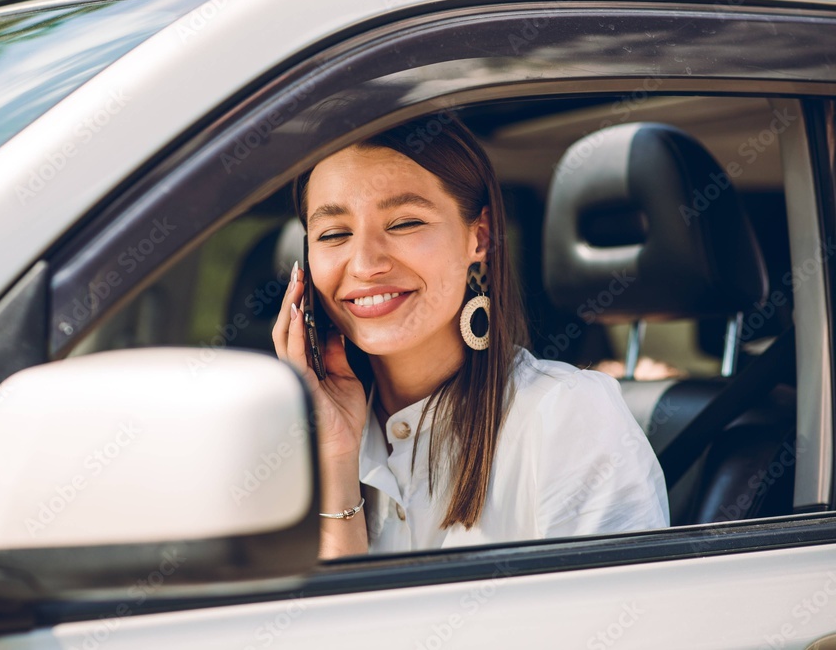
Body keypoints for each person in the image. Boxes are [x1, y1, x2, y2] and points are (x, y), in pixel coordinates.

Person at [272, 113, 669, 558]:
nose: (365, 264)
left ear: (477, 237)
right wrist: (334, 460)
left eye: (404, 223)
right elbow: (328, 629)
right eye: (334, 234)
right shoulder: (285, 444)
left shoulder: (566, 415)